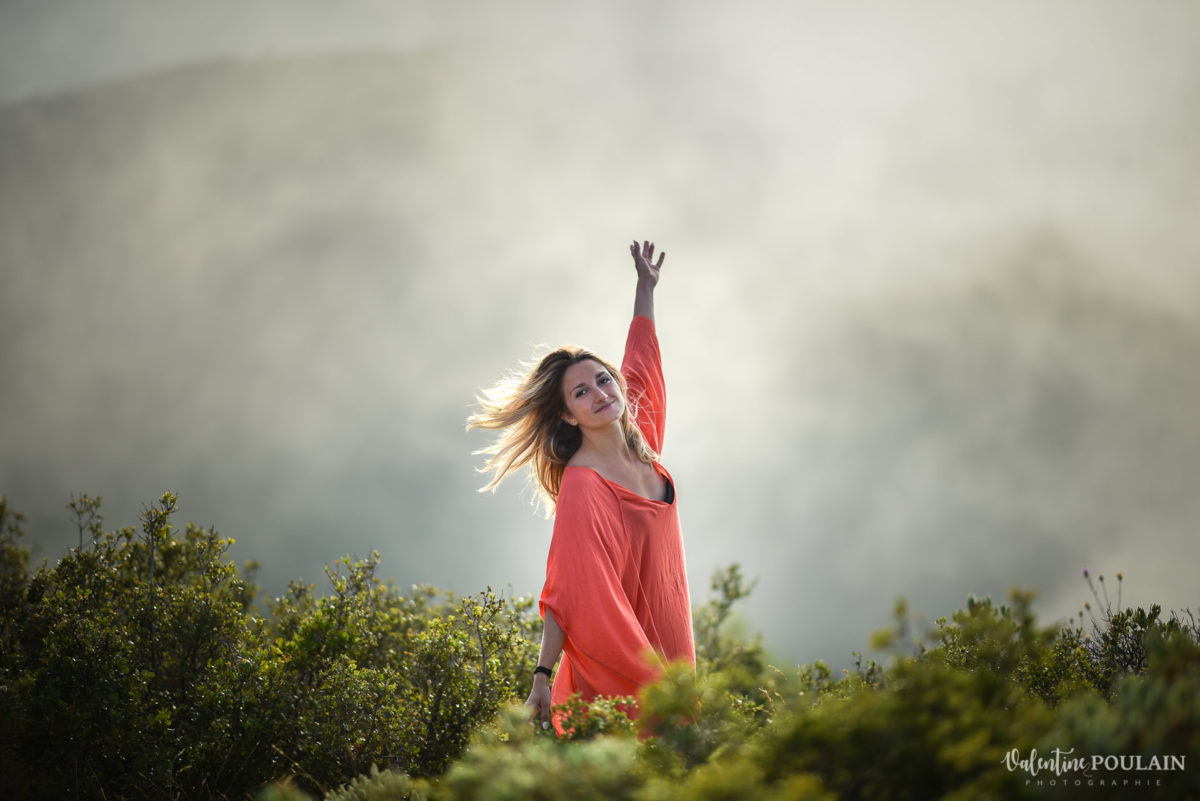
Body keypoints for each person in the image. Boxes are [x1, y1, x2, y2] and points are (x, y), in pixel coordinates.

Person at [467, 240, 695, 732]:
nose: (600, 394)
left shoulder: (641, 440)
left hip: (675, 647)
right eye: (581, 392)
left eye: (603, 381)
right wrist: (542, 674)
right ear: (568, 415)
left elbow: (642, 359)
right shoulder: (583, 488)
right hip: (626, 664)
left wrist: (645, 289)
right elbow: (567, 589)